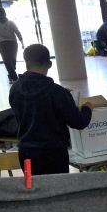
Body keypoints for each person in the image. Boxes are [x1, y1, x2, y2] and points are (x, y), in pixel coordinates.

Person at [9, 44, 93, 175]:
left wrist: (60, 96)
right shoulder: (57, 92)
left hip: (26, 153)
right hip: (54, 154)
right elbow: (78, 122)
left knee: (32, 189)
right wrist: (87, 108)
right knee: (58, 191)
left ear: (27, 64)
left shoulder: (15, 89)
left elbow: (32, 106)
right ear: (49, 64)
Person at [0, 7, 23, 83]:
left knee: (7, 61)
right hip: (13, 43)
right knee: (13, 60)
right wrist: (22, 42)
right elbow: (17, 32)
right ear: (5, 13)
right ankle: (14, 78)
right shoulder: (11, 23)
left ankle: (11, 76)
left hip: (2, 44)